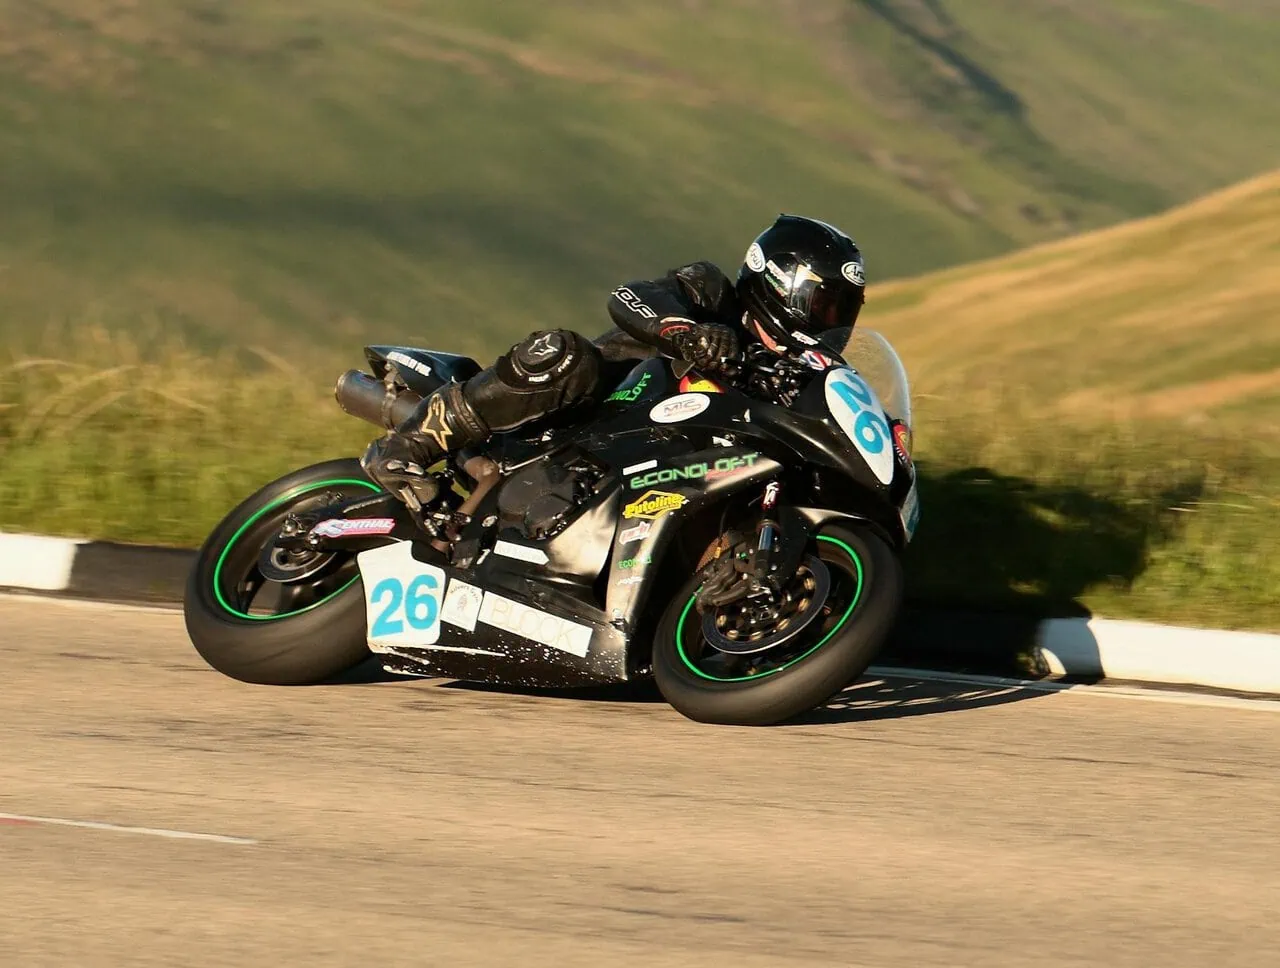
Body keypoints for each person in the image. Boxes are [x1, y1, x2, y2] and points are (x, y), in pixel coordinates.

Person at [361, 214, 868, 505]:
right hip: (589, 413)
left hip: (661, 466)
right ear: (783, 284)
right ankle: (409, 446)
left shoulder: (791, 370)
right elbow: (630, 297)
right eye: (825, 305)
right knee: (568, 353)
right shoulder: (712, 292)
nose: (833, 322)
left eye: (843, 310)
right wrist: (686, 333)